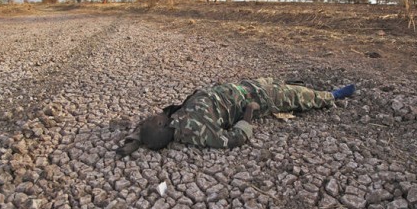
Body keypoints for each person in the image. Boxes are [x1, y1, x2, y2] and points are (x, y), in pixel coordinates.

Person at [116, 78, 355, 156]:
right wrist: (249, 113)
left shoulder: (173, 119)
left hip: (244, 86)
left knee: (281, 84)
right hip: (260, 98)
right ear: (160, 124)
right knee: (299, 96)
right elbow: (234, 138)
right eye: (151, 118)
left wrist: (134, 140)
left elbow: (150, 130)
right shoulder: (196, 131)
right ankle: (332, 95)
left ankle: (295, 85)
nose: (152, 115)